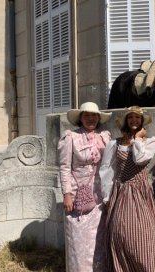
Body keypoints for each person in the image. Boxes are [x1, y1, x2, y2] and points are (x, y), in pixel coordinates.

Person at [99, 106, 155, 272]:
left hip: (141, 194)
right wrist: (107, 197)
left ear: (142, 121)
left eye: (138, 118)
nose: (134, 121)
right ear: (126, 121)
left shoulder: (150, 142)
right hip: (121, 193)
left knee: (144, 237)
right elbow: (107, 170)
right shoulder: (115, 143)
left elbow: (140, 159)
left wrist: (137, 141)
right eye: (131, 118)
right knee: (120, 235)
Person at [58, 102, 112, 271]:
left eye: (94, 116)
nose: (91, 119)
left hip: (99, 196)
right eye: (87, 115)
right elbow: (64, 167)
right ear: (80, 118)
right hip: (77, 195)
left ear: (99, 118)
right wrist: (67, 193)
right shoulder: (70, 137)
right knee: (78, 239)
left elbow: (110, 165)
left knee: (98, 238)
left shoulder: (104, 137)